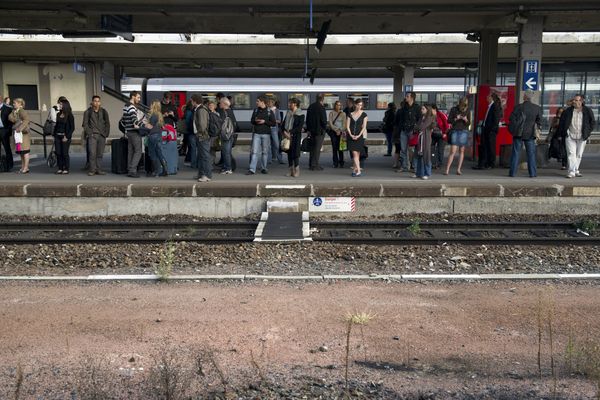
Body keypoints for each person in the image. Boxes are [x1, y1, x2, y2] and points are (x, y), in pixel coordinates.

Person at [557, 94, 596, 178]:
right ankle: (571, 172)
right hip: (570, 135)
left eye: (576, 100)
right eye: (574, 100)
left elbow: (592, 122)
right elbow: (562, 123)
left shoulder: (587, 110)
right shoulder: (567, 111)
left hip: (582, 136)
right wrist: (562, 134)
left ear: (581, 101)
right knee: (571, 153)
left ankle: (576, 169)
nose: (574, 101)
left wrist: (588, 132)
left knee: (579, 154)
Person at [508, 91, 542, 178]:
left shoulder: (518, 107)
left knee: (515, 153)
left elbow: (511, 118)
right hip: (530, 134)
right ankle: (533, 173)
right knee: (531, 154)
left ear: (525, 97)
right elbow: (539, 121)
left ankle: (512, 173)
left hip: (518, 133)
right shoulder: (536, 108)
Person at [247, 95, 276, 175]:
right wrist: (255, 121)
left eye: (257, 101)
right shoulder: (256, 110)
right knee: (254, 152)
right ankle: (252, 169)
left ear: (262, 102)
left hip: (266, 134)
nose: (256, 103)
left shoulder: (269, 111)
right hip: (257, 133)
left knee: (265, 152)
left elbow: (273, 123)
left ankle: (264, 168)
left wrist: (264, 122)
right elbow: (252, 121)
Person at [82, 95, 110, 176]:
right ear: (92, 102)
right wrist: (90, 133)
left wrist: (106, 133)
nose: (96, 103)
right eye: (95, 101)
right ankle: (92, 170)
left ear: (100, 102)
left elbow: (107, 123)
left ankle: (99, 169)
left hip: (102, 135)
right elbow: (85, 124)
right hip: (93, 135)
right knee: (92, 153)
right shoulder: (88, 112)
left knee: (100, 154)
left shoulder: (104, 112)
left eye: (98, 101)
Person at [474, 92, 502, 169]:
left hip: (490, 131)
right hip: (486, 129)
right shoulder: (490, 106)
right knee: (486, 146)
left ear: (491, 98)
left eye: (488, 96)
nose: (486, 97)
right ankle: (485, 162)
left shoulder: (494, 106)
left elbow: (496, 120)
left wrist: (492, 130)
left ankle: (491, 163)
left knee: (491, 147)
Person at [394, 91, 420, 172]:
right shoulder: (403, 108)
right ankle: (404, 166)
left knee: (413, 150)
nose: (406, 97)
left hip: (413, 131)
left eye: (407, 96)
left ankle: (414, 166)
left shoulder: (417, 107)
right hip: (404, 131)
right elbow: (399, 120)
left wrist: (416, 128)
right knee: (403, 149)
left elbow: (419, 119)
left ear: (412, 97)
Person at [444, 97, 470, 175]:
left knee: (462, 151)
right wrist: (456, 118)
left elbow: (469, 123)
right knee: (452, 151)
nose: (464, 106)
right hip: (455, 130)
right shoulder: (454, 109)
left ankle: (458, 170)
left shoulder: (467, 110)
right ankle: (447, 169)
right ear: (460, 103)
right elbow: (449, 121)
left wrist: (466, 120)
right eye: (463, 104)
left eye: (465, 104)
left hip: (464, 131)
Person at [122, 91, 144, 178]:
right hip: (134, 132)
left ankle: (129, 169)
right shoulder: (132, 107)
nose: (139, 99)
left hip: (128, 132)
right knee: (138, 151)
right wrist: (145, 125)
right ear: (133, 97)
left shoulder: (125, 106)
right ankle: (132, 170)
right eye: (138, 97)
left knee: (131, 151)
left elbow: (123, 120)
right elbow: (134, 121)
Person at [144, 100, 168, 177]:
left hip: (153, 136)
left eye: (151, 104)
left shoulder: (153, 115)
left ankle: (155, 172)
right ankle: (165, 170)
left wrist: (142, 125)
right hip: (159, 136)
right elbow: (162, 126)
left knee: (153, 154)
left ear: (153, 106)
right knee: (159, 153)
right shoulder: (160, 115)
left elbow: (150, 127)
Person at [282, 98, 305, 177]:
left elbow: (299, 127)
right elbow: (283, 124)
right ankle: (291, 170)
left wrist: (290, 132)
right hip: (287, 136)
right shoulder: (288, 113)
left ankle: (297, 170)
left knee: (295, 153)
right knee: (289, 153)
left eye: (290, 103)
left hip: (295, 136)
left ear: (295, 104)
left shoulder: (301, 114)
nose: (288, 105)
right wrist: (284, 132)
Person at [191, 94, 212, 182]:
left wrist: (199, 133)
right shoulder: (198, 109)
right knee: (201, 156)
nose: (191, 102)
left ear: (195, 101)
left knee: (204, 156)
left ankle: (206, 175)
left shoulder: (201, 110)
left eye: (192, 101)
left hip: (203, 136)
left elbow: (203, 126)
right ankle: (201, 173)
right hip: (200, 136)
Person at [413, 104, 436, 180]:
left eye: (423, 109)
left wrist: (418, 127)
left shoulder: (429, 118)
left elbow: (420, 127)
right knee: (419, 156)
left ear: (427, 110)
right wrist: (418, 127)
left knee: (426, 156)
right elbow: (416, 127)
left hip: (426, 139)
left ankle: (427, 173)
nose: (421, 110)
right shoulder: (421, 117)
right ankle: (419, 173)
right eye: (421, 108)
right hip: (419, 139)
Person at [346, 98, 367, 177]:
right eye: (358, 105)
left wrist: (359, 135)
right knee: (355, 154)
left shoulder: (364, 114)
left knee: (357, 154)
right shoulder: (349, 114)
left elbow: (364, 127)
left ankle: (354, 169)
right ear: (355, 105)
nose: (359, 106)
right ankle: (358, 170)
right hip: (351, 137)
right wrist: (351, 135)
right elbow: (347, 126)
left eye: (361, 105)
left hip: (359, 137)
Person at [53, 99, 75, 174]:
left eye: (61, 104)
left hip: (65, 136)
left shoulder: (69, 115)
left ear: (65, 105)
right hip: (57, 136)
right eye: (59, 104)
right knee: (58, 153)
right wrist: (54, 134)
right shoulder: (58, 114)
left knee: (64, 153)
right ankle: (60, 168)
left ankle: (66, 168)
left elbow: (72, 128)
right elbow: (57, 125)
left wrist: (67, 137)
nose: (59, 106)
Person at [8, 98, 30, 174]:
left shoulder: (22, 111)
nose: (13, 104)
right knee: (20, 151)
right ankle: (23, 166)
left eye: (15, 103)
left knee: (25, 151)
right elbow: (10, 118)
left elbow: (26, 120)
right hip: (17, 135)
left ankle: (26, 167)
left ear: (20, 104)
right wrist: (16, 119)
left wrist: (20, 128)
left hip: (23, 134)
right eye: (13, 103)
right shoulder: (14, 111)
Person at [217, 97, 238, 174]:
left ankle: (228, 168)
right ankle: (227, 167)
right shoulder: (230, 111)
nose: (219, 104)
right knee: (227, 152)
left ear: (224, 104)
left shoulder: (224, 112)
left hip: (226, 135)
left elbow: (221, 123)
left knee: (226, 152)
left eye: (220, 103)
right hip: (230, 135)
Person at [327, 100, 346, 168]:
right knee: (334, 148)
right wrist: (336, 130)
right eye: (337, 105)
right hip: (333, 132)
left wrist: (340, 131)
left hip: (341, 133)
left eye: (340, 105)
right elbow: (330, 124)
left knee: (340, 148)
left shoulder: (343, 114)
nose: (338, 106)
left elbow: (344, 124)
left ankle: (341, 162)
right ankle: (335, 163)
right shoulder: (331, 113)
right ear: (335, 105)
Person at [431, 104, 449, 169]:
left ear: (435, 109)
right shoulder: (430, 116)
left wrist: (445, 133)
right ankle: (433, 162)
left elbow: (447, 125)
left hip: (441, 135)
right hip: (433, 134)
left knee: (440, 149)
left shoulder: (441, 115)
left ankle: (439, 164)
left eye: (431, 110)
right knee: (431, 148)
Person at [268, 97, 284, 165]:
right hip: (267, 129)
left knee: (277, 144)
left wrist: (272, 121)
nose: (268, 103)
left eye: (269, 102)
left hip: (274, 129)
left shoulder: (276, 110)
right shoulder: (266, 110)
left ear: (273, 103)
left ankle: (280, 159)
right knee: (269, 145)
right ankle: (270, 159)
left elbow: (279, 120)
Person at [0, 94, 14, 171]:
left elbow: (11, 121)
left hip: (4, 130)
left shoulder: (8, 108)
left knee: (7, 148)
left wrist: (8, 130)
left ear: (1, 100)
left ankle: (9, 165)